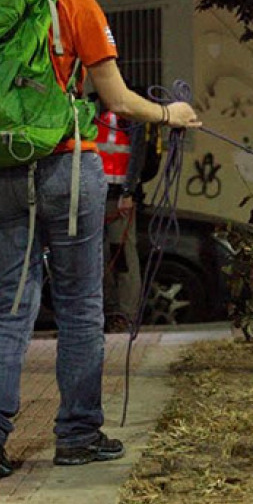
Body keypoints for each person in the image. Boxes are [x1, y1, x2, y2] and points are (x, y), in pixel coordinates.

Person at [0, 0, 200, 480]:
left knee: (9, 307)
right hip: (66, 167)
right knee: (79, 308)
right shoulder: (74, 5)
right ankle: (78, 435)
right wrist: (170, 114)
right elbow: (116, 99)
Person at [96, 106, 146, 334]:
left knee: (123, 257)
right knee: (99, 258)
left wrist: (128, 192)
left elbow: (136, 154)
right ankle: (106, 314)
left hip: (119, 198)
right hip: (96, 196)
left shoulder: (129, 118)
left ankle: (126, 315)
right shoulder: (95, 111)